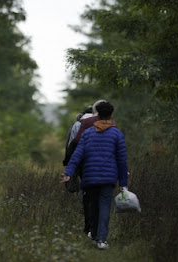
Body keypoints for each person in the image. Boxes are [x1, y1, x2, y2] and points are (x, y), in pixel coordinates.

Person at [60, 101, 128, 250]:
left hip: (90, 176)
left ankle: (95, 234)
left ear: (97, 115)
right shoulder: (117, 134)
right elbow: (121, 159)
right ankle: (101, 239)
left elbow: (77, 154)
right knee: (104, 206)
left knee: (93, 205)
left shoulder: (88, 133)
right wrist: (123, 182)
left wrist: (68, 173)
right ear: (111, 115)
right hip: (109, 177)